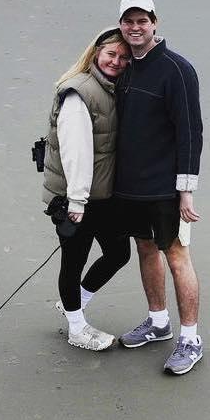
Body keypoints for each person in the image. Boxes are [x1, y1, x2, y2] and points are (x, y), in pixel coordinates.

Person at [112, 0, 205, 374]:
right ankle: (158, 321)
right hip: (131, 187)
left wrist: (186, 189)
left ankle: (190, 339)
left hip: (166, 189)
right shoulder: (122, 67)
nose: (136, 27)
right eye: (128, 21)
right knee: (145, 249)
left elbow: (191, 132)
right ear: (121, 24)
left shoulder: (177, 70)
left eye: (142, 20)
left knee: (176, 255)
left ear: (155, 22)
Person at [40, 28, 133, 351]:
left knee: (119, 253)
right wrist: (77, 201)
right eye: (111, 55)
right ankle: (77, 329)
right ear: (96, 53)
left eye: (123, 57)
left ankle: (73, 303)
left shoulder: (110, 88)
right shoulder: (79, 92)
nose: (117, 62)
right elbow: (75, 151)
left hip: (102, 196)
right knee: (73, 261)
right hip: (76, 198)